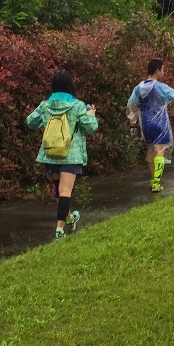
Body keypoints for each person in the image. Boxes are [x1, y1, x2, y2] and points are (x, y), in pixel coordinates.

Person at [25, 71, 99, 240]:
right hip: (70, 155)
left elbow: (30, 122)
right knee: (65, 191)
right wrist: (91, 115)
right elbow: (91, 127)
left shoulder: (45, 105)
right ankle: (59, 229)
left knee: (60, 191)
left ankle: (70, 217)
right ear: (70, 85)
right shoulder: (78, 105)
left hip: (50, 154)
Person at [126, 58, 174, 193]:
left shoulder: (139, 87)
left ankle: (153, 181)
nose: (163, 73)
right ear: (157, 71)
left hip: (145, 123)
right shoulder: (160, 86)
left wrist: (133, 123)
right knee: (160, 150)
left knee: (151, 151)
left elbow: (131, 105)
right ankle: (157, 182)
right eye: (162, 70)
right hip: (160, 123)